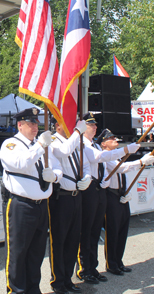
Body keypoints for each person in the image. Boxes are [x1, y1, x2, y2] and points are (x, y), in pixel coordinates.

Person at [0, 108, 62, 294]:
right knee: (17, 252)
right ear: (20, 125)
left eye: (36, 123)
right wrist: (40, 146)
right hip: (21, 205)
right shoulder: (11, 144)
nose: (35, 127)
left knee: (36, 252)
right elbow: (21, 163)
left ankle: (33, 289)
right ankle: (16, 290)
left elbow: (58, 167)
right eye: (31, 123)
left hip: (42, 205)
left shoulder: (41, 145)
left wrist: (55, 176)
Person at [77, 113, 140, 284]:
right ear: (82, 127)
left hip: (99, 190)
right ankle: (84, 268)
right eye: (91, 125)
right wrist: (126, 150)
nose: (95, 127)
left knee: (95, 231)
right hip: (89, 190)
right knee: (87, 230)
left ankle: (93, 267)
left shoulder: (94, 146)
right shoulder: (83, 144)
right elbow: (99, 158)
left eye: (95, 125)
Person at [98, 129, 154, 276]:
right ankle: (111, 264)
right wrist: (142, 161)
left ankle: (119, 261)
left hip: (121, 196)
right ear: (103, 144)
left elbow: (124, 173)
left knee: (123, 230)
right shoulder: (106, 157)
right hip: (111, 197)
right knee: (113, 231)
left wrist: (126, 193)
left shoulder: (117, 157)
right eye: (110, 138)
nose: (115, 139)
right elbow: (122, 169)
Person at [48, 118, 91, 294]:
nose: (71, 128)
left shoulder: (74, 141)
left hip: (76, 197)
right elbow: (64, 152)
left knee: (73, 240)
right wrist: (78, 133)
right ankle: (57, 281)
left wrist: (87, 178)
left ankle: (67, 279)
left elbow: (85, 164)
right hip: (61, 199)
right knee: (59, 241)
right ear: (57, 126)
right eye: (66, 124)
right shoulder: (52, 142)